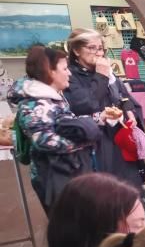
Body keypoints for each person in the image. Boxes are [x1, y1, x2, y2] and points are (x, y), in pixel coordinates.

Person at [8, 45, 100, 212]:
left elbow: (64, 122)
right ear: (49, 71)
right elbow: (44, 141)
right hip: (53, 177)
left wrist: (95, 120)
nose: (69, 73)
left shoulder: (53, 96)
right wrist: (85, 139)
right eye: (65, 69)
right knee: (70, 228)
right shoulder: (35, 103)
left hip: (69, 171)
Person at [64, 28, 145, 188]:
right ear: (76, 50)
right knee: (108, 189)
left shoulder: (108, 73)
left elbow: (124, 95)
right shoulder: (71, 76)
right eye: (91, 48)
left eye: (100, 48)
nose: (98, 53)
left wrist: (128, 108)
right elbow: (86, 104)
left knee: (131, 186)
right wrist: (101, 75)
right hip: (97, 142)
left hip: (120, 135)